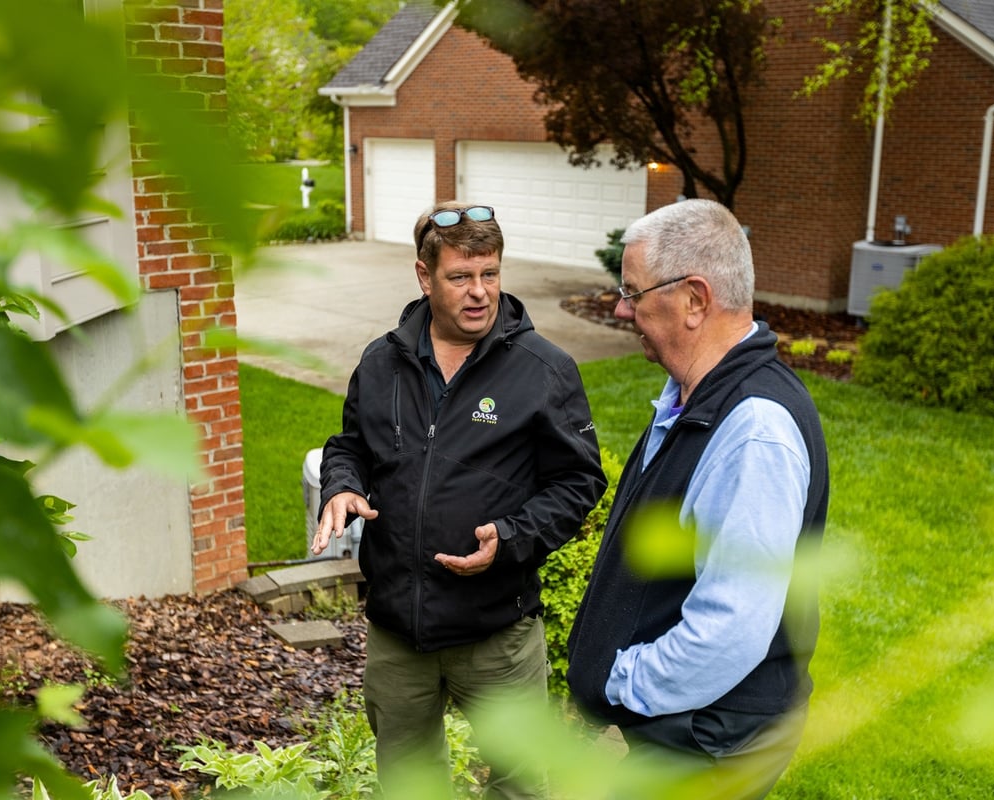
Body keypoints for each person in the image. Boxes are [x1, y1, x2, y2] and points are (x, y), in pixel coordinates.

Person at [314, 200, 607, 799]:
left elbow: (580, 483)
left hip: (495, 634)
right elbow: (350, 446)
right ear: (425, 278)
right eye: (460, 277)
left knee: (518, 785)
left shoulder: (543, 370)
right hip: (399, 636)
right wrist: (341, 485)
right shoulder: (381, 363)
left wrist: (512, 538)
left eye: (490, 274)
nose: (480, 293)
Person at [566, 199, 829, 799]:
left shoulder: (753, 429)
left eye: (633, 292)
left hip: (708, 742)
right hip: (685, 733)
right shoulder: (696, 398)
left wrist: (621, 680)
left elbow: (731, 627)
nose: (620, 307)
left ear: (694, 299)